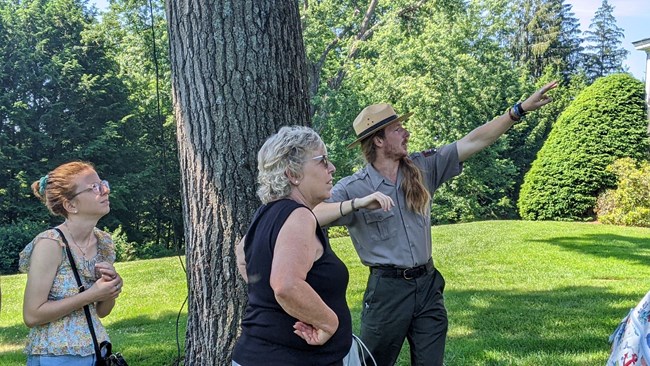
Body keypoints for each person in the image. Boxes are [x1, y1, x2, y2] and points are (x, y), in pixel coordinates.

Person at [313, 81, 558, 366]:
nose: (407, 133)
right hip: (387, 293)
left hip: (427, 286)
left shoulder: (423, 167)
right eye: (397, 129)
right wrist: (357, 203)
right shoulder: (354, 187)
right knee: (372, 363)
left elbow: (473, 141)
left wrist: (517, 111)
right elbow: (314, 214)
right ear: (378, 141)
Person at [232, 125, 363, 366]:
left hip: (257, 354)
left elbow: (242, 256)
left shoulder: (265, 213)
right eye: (322, 160)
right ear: (293, 173)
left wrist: (269, 302)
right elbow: (286, 285)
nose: (331, 168)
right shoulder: (299, 216)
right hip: (296, 358)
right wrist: (328, 323)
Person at [20, 161, 123, 366]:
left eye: (102, 183)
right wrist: (92, 294)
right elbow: (32, 315)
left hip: (97, 351)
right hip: (56, 356)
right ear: (70, 205)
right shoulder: (51, 244)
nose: (105, 190)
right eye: (94, 187)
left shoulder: (103, 242)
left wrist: (111, 287)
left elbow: (102, 311)